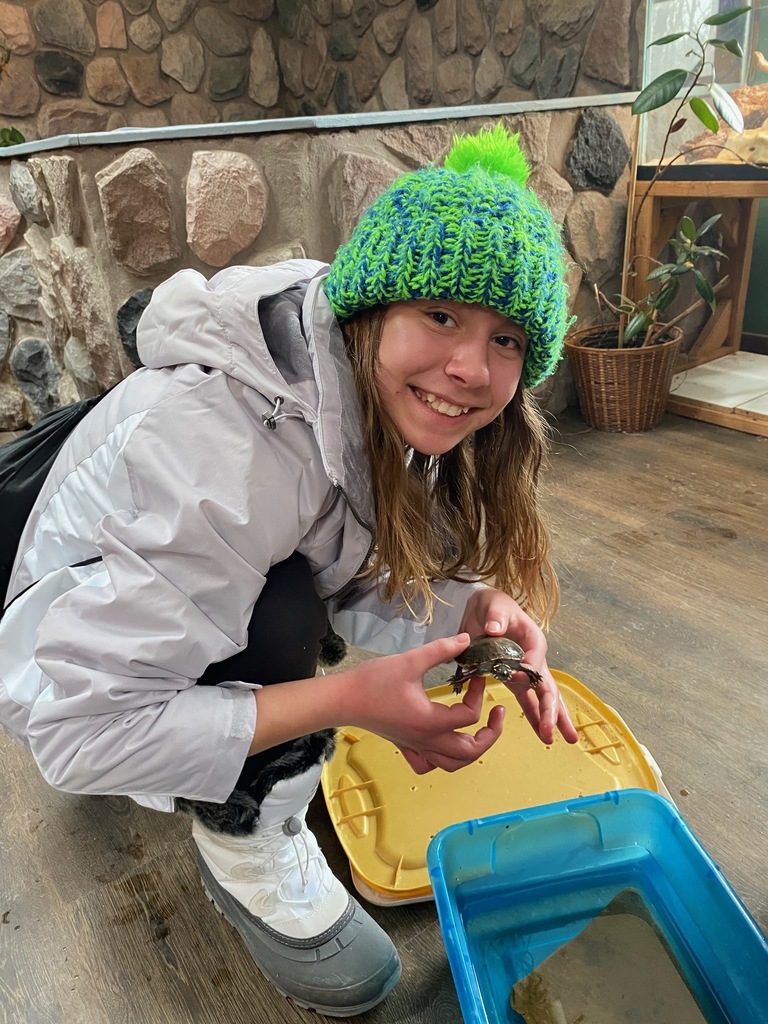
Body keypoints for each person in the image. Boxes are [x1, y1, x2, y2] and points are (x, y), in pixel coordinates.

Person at [0, 123, 579, 1016]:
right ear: (375, 306)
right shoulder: (227, 439)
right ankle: (245, 828)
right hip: (59, 654)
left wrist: (471, 612)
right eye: (442, 315)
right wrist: (349, 702)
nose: (470, 367)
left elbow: (348, 553)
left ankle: (230, 732)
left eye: (508, 339)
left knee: (292, 580)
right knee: (275, 604)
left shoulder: (344, 373)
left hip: (132, 589)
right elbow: (78, 737)